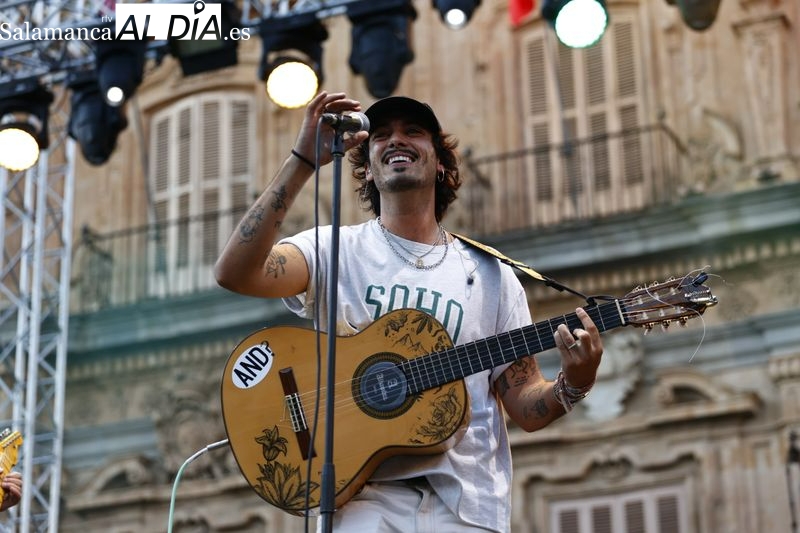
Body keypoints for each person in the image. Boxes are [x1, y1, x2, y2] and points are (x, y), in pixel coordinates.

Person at [214, 91, 603, 532]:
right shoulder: (334, 250)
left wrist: (576, 381)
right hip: (361, 505)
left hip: (467, 511)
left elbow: (526, 406)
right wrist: (303, 160)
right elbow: (235, 273)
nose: (396, 140)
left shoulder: (491, 275)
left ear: (440, 164)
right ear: (368, 167)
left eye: (413, 131)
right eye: (381, 135)